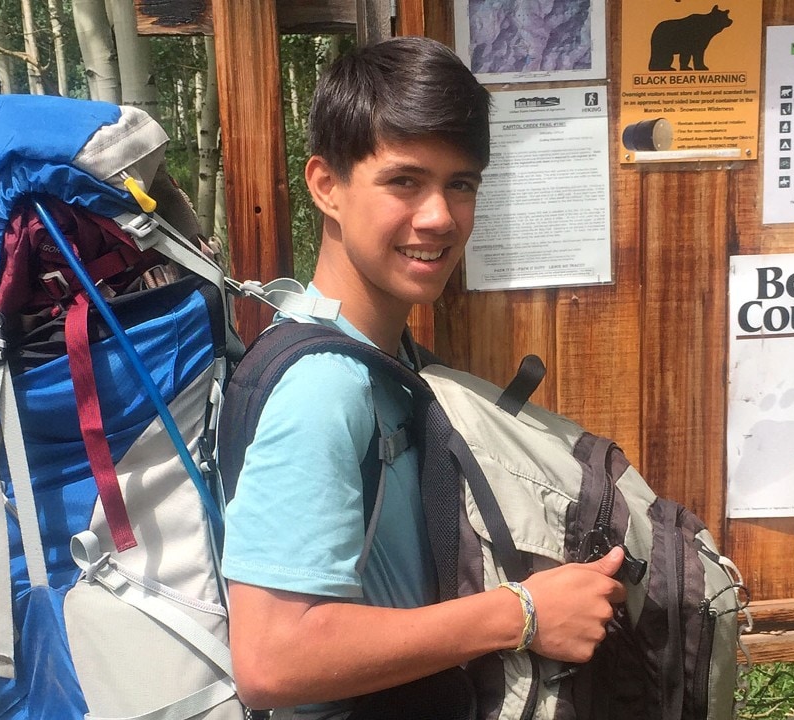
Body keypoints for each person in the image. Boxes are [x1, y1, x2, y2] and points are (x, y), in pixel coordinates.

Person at [221, 36, 626, 716]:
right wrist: (522, 614)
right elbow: (271, 657)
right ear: (327, 185)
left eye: (460, 184)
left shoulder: (388, 358)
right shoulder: (325, 386)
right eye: (404, 180)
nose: (439, 217)